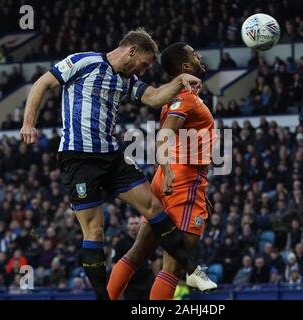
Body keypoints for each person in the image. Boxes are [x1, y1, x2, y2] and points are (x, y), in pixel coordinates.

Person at [20, 29, 210, 300]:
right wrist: (29, 122)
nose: (143, 70)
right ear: (132, 50)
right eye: (144, 63)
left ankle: (192, 269)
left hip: (112, 157)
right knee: (95, 229)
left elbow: (154, 97)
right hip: (78, 158)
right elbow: (42, 83)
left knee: (155, 207)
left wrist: (181, 80)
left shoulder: (127, 80)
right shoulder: (83, 62)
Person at [107, 42, 217, 300]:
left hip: (176, 179)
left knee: (137, 253)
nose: (199, 55)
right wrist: (169, 172)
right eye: (194, 53)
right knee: (173, 266)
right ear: (186, 66)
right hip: (182, 181)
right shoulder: (186, 98)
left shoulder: (180, 95)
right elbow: (165, 135)